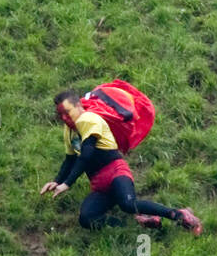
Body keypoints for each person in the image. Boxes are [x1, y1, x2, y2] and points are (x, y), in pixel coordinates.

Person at [40, 90, 203, 235]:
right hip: (99, 185)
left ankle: (179, 214)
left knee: (128, 204)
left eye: (67, 112)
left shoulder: (88, 119)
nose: (64, 118)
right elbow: (70, 159)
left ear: (79, 105)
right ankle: (135, 224)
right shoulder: (69, 131)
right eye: (60, 115)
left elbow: (87, 154)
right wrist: (56, 181)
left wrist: (67, 183)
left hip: (116, 173)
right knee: (86, 218)